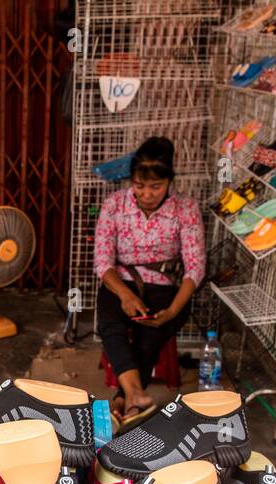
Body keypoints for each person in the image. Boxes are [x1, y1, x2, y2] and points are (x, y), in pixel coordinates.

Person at [94, 136, 206, 422]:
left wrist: (173, 311)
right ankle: (134, 397)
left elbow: (195, 268)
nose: (146, 194)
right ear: (131, 180)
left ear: (170, 182)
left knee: (149, 336)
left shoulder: (186, 209)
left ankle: (125, 397)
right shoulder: (114, 205)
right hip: (120, 283)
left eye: (156, 186)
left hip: (166, 289)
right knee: (110, 325)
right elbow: (103, 262)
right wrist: (126, 295)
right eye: (140, 186)